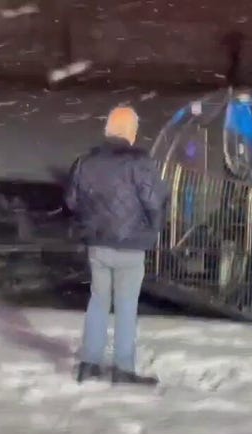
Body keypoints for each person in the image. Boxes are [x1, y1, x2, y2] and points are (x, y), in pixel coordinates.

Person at [66, 106, 167, 385]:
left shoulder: (86, 161)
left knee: (98, 302)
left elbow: (71, 200)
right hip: (131, 245)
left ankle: (89, 363)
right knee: (126, 306)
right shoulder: (140, 163)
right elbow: (154, 201)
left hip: (97, 242)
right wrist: (153, 229)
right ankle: (123, 367)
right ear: (131, 133)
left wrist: (92, 218)